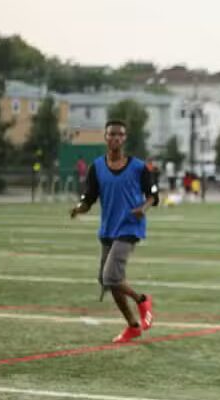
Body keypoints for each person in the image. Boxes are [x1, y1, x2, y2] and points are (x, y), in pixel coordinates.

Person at [69, 119, 158, 344]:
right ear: (106, 137)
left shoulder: (139, 167)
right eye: (111, 134)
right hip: (108, 229)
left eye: (120, 135)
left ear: (124, 138)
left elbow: (153, 195)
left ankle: (142, 300)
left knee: (111, 277)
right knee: (108, 281)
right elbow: (89, 198)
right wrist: (80, 208)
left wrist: (143, 208)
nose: (116, 138)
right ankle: (133, 326)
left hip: (130, 227)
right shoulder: (96, 167)